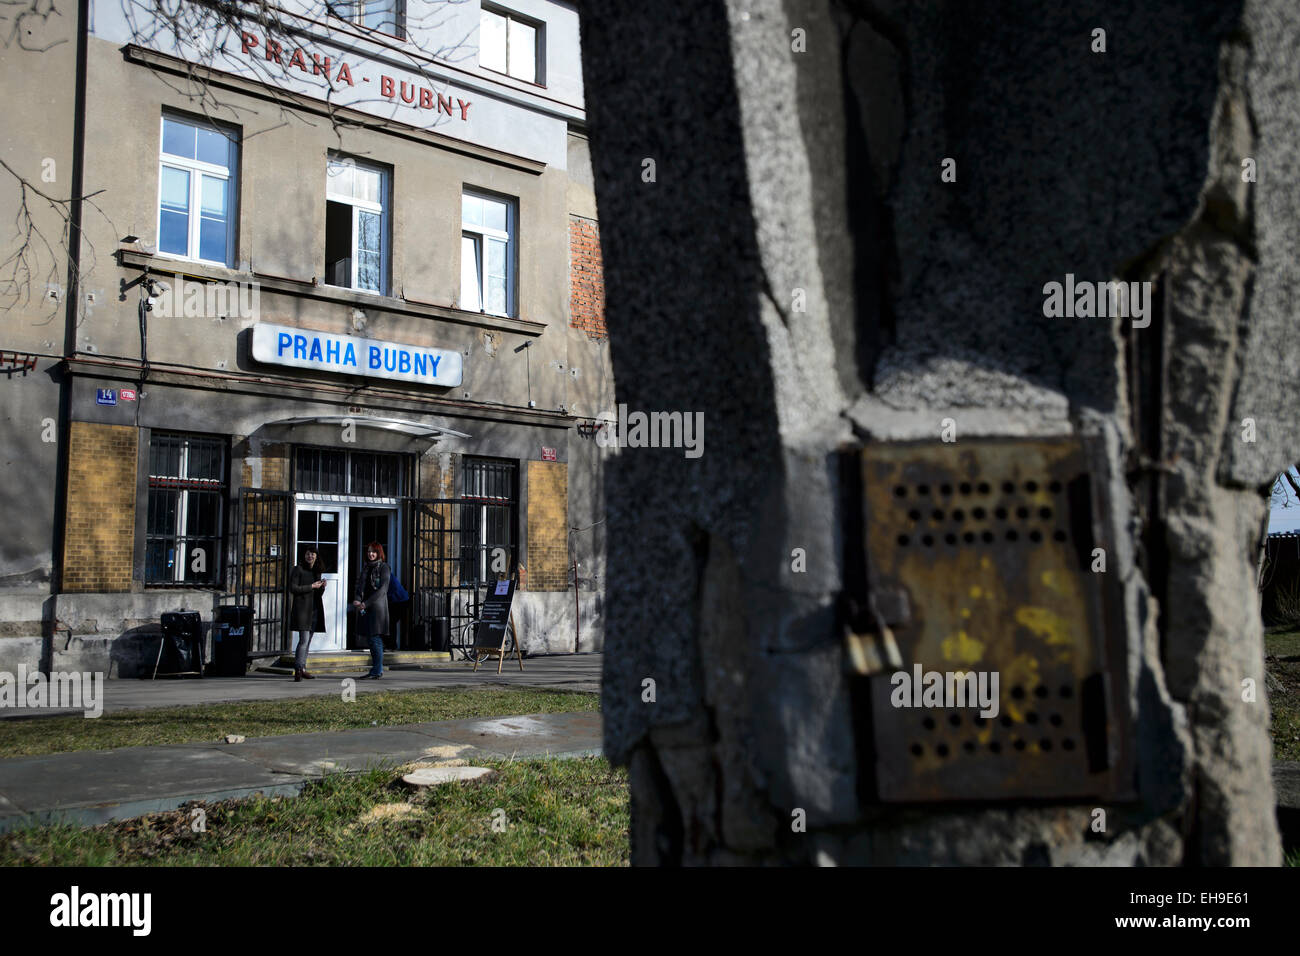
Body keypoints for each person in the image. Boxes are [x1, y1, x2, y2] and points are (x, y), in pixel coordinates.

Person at [288, 547, 327, 682]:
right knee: (303, 640)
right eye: (307, 554)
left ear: (316, 556)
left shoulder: (317, 571)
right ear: (304, 556)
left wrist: (321, 587)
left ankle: (303, 668)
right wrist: (311, 586)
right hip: (302, 610)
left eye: (312, 554)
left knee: (308, 641)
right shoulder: (298, 569)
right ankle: (298, 669)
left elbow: (317, 594)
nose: (310, 556)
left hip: (314, 609)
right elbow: (293, 588)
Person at [352, 541, 390, 679]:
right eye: (369, 551)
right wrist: (357, 599)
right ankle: (376, 669)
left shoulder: (384, 567)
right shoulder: (366, 568)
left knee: (375, 639)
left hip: (377, 608)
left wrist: (366, 603)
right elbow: (360, 586)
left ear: (379, 553)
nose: (371, 554)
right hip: (365, 607)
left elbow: (383, 589)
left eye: (373, 551)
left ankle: (377, 670)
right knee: (370, 639)